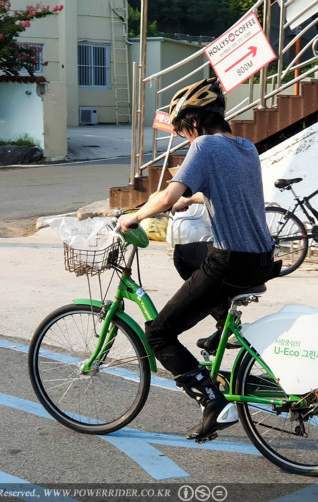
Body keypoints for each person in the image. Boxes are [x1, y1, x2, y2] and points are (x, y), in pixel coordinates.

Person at [117, 77, 278, 441]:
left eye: (181, 130)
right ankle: (225, 327)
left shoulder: (204, 145)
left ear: (193, 122)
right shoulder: (246, 147)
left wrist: (135, 216)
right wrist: (190, 199)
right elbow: (227, 192)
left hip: (232, 260)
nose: (183, 137)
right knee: (186, 256)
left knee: (157, 333)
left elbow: (165, 194)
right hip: (261, 257)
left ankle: (212, 400)